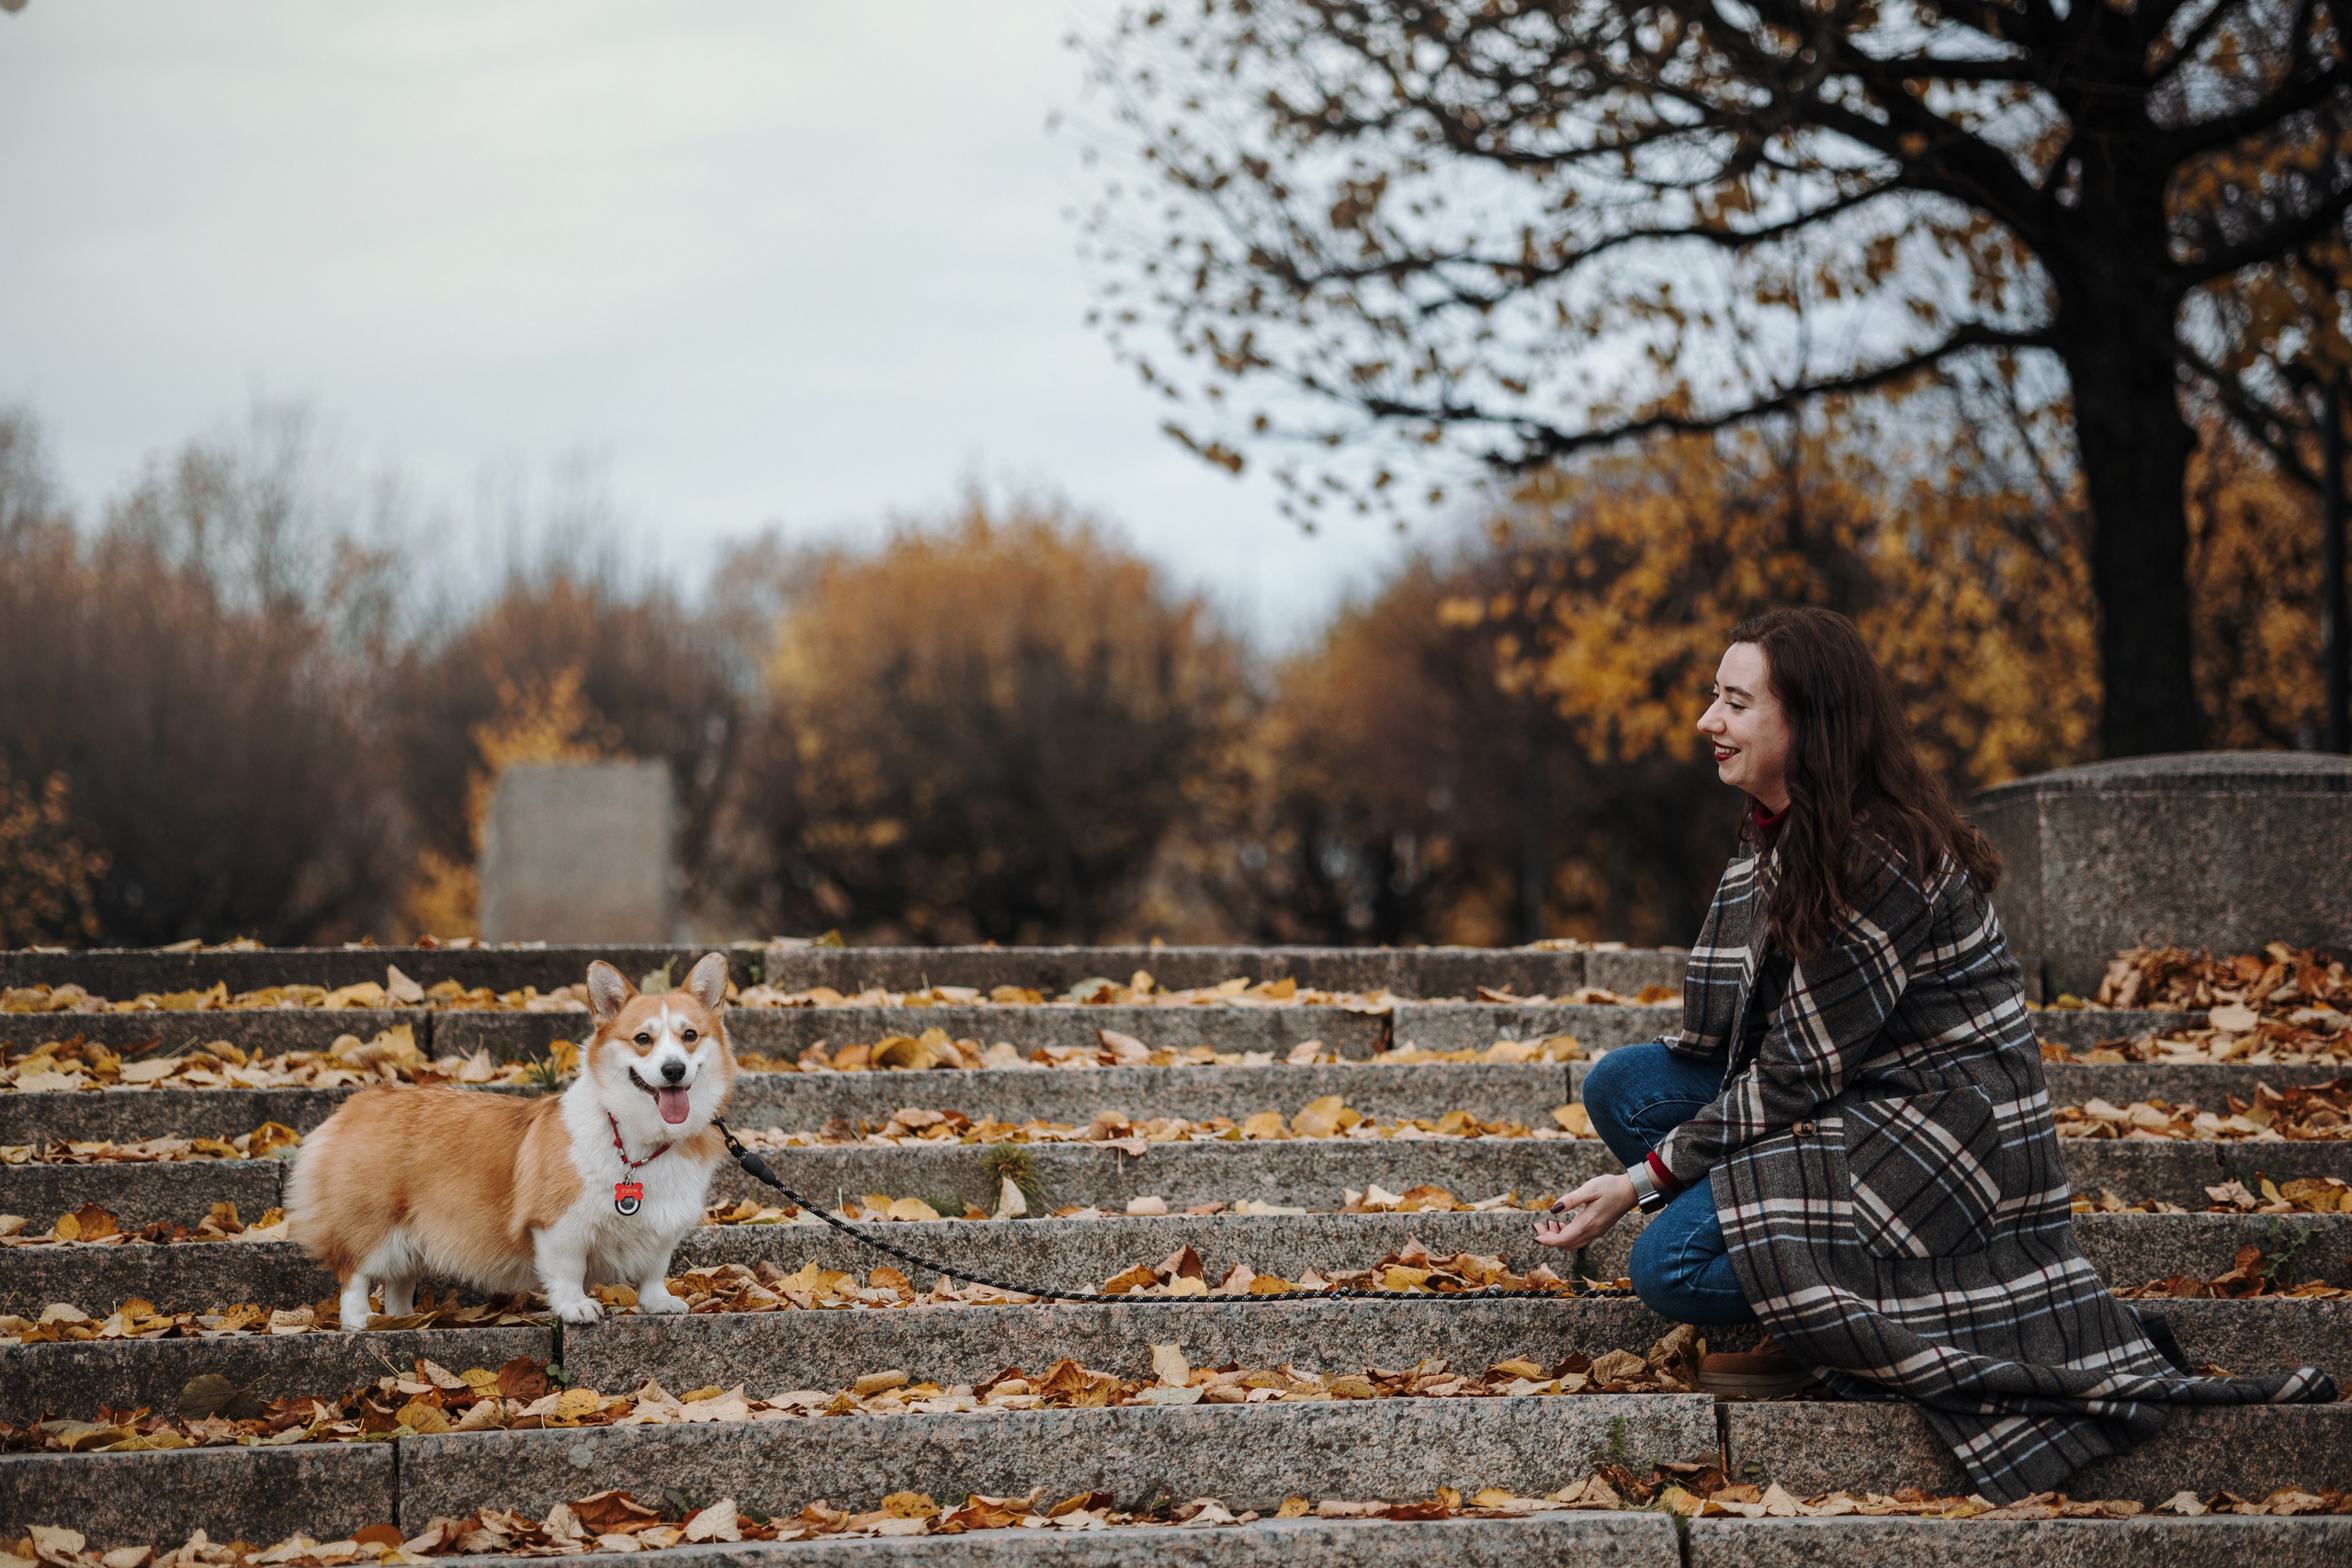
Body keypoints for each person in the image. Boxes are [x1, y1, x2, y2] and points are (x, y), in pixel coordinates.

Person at [1534, 606, 2334, 1503]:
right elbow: (1751, 1042)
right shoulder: (1776, 836)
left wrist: (1641, 1182)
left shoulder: (1877, 857)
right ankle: (1791, 1266)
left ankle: (1824, 1309)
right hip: (1846, 1097)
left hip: (1936, 1140)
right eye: (1712, 699)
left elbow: (1797, 1072)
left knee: (1663, 1266)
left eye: (1732, 701)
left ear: (1805, 724)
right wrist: (1674, 1159)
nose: (1706, 722)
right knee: (1621, 1086)